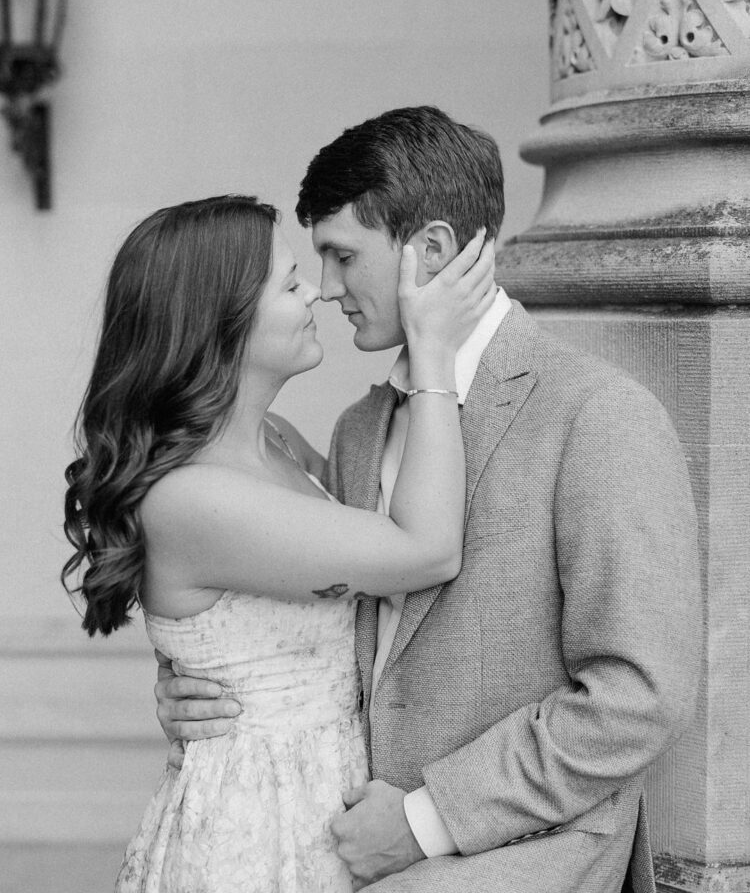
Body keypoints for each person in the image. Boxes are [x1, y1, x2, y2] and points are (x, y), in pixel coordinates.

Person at [156, 108, 702, 893]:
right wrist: (201, 679)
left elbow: (640, 696)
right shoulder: (355, 430)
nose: (327, 290)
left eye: (344, 257)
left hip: (522, 846)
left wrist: (424, 821)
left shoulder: (598, 414)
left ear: (433, 251)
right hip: (332, 831)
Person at [61, 193, 497, 893]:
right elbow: (425, 549)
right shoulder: (194, 498)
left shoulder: (278, 440)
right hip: (259, 828)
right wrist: (434, 359)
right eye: (291, 283)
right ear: (221, 323)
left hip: (327, 797)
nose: (318, 295)